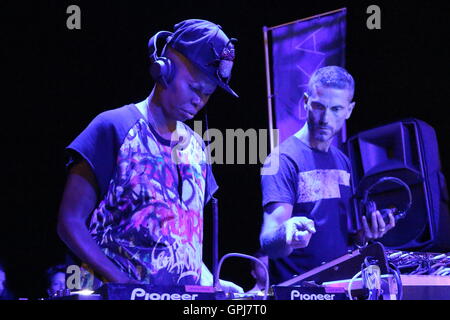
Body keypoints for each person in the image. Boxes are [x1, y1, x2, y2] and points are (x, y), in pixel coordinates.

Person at [57, 19, 242, 293]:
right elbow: (69, 223)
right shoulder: (114, 127)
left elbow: (182, 244)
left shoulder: (197, 149)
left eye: (208, 94)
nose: (199, 101)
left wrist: (209, 282)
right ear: (164, 68)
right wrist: (123, 284)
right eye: (194, 88)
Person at [259, 66, 396, 284]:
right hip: (298, 291)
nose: (325, 118)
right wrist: (287, 233)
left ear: (349, 110)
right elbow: (268, 241)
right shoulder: (283, 160)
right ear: (306, 101)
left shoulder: (343, 162)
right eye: (319, 107)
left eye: (336, 109)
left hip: (340, 287)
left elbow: (345, 239)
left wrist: (366, 236)